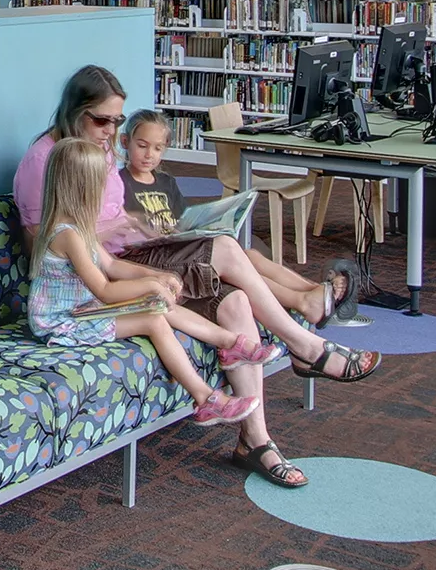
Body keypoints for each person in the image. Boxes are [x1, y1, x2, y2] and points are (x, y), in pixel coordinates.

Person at [16, 66, 381, 486]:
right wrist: (122, 240)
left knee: (237, 292)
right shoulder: (49, 161)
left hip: (130, 254)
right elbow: (44, 245)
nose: (111, 131)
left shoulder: (96, 148)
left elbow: (108, 229)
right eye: (102, 120)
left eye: (118, 121)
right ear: (74, 111)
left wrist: (137, 226)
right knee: (228, 250)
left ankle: (256, 439)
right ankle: (305, 342)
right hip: (93, 280)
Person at [28, 140, 267, 427]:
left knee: (158, 305)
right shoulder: (68, 235)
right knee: (154, 320)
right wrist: (151, 286)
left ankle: (230, 343)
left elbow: (113, 265)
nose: (105, 193)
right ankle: (205, 399)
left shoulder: (79, 228)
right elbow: (105, 289)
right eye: (100, 185)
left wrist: (154, 277)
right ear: (83, 188)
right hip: (65, 319)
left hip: (84, 307)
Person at [119, 108, 356, 321]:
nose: (149, 154)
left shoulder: (166, 181)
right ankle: (301, 301)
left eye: (158, 148)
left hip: (177, 246)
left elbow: (183, 221)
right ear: (125, 142)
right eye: (142, 146)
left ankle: (315, 289)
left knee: (250, 254)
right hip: (155, 256)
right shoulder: (119, 183)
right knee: (234, 263)